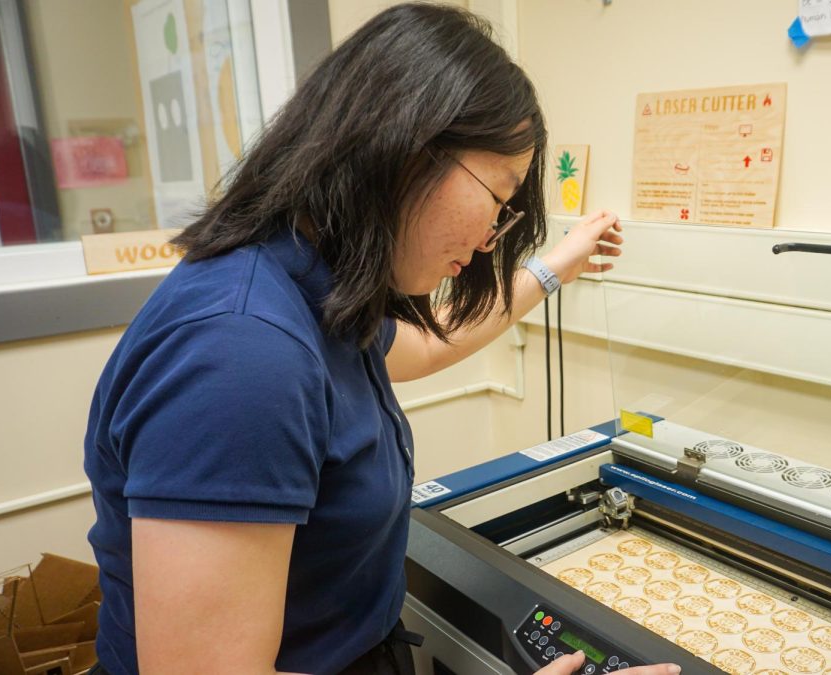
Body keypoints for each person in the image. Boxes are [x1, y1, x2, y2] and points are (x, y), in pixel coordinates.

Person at [82, 4, 681, 675]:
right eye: (500, 198)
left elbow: (425, 345)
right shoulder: (242, 356)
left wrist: (556, 265)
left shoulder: (306, 278)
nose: (492, 236)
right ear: (406, 146)